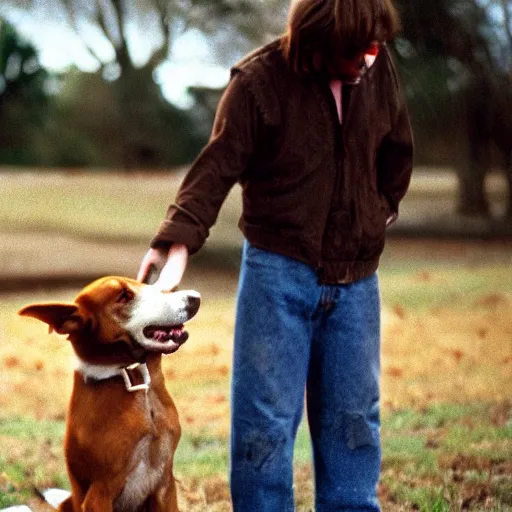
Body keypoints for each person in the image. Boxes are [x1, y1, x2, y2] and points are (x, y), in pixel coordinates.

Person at [138, 0, 413, 509]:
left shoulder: (377, 67)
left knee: (355, 420)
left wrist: (380, 210)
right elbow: (216, 167)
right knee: (263, 425)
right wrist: (174, 244)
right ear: (320, 39)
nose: (372, 59)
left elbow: (397, 145)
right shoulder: (258, 82)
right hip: (278, 275)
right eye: (361, 49)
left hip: (357, 280)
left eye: (376, 46)